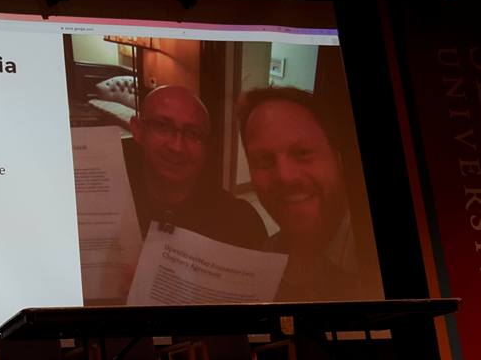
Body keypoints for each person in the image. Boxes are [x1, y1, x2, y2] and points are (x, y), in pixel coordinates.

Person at [238, 87, 361, 302]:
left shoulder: (370, 252)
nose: (285, 176)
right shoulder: (267, 255)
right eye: (264, 160)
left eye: (302, 153)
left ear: (338, 157)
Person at [126, 85, 267, 249]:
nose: (177, 147)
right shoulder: (109, 205)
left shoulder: (241, 222)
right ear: (138, 130)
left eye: (193, 134)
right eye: (163, 126)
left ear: (207, 148)